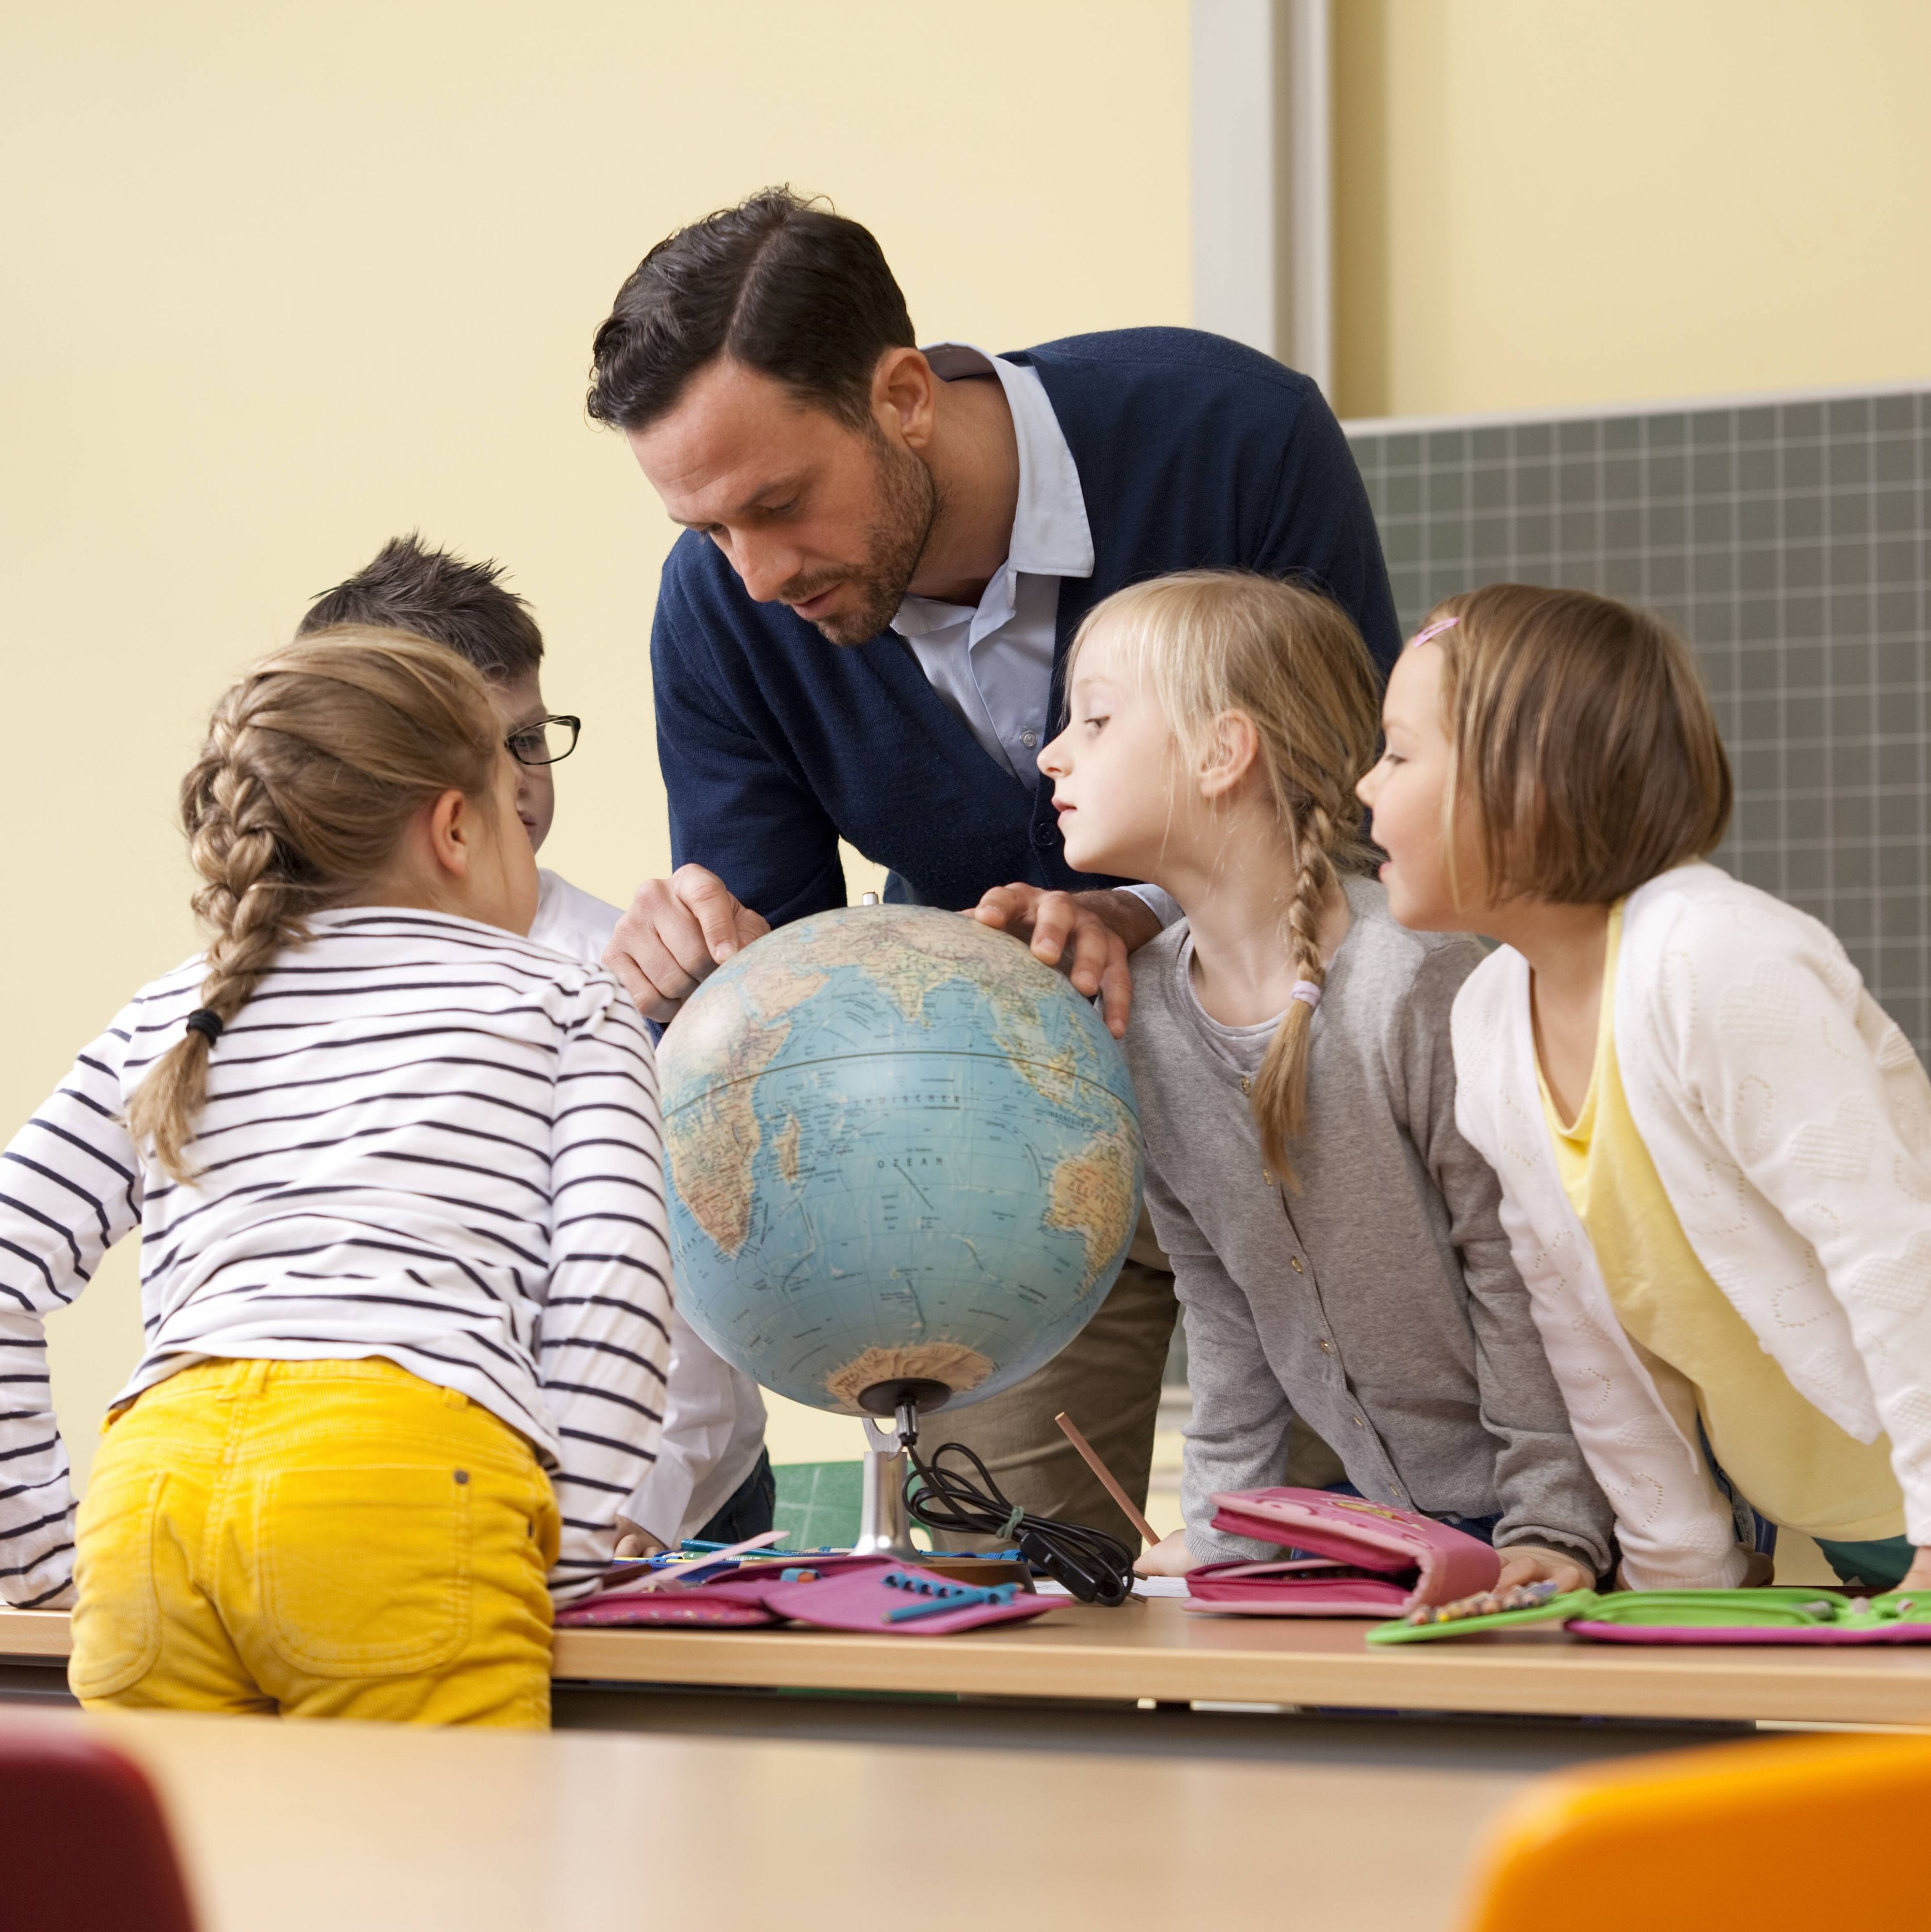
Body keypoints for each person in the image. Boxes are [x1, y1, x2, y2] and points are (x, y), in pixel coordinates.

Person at [586, 187, 1397, 1541]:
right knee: (985, 1603)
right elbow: (791, 979)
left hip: (1290, 1104)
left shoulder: (1232, 434)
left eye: (780, 506)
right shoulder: (726, 618)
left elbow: (1348, 794)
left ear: (903, 395)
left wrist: (1141, 910)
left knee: (1331, 1577)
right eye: (707, 530)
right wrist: (700, 961)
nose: (755, 577)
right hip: (992, 1166)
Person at [1358, 584, 1931, 1601]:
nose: (1364, 783)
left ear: (1523, 783)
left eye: (1398, 752)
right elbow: (1589, 1334)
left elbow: (1887, 1241)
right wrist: (1679, 1577)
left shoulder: (1711, 955)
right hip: (1862, 1511)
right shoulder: (1487, 1022)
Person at [0, 631, 676, 1722]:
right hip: (405, 1483)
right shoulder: (568, 1001)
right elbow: (615, 1294)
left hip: (153, 1494)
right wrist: (573, 1554)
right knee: (447, 1886)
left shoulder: (175, 1014)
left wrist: (43, 1563)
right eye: (510, 802)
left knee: (187, 1890)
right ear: (455, 826)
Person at [1035, 571, 1613, 1589]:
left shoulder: (1415, 981)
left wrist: (1553, 1527)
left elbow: (1526, 1269)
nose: (1053, 751)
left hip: (1568, 1519)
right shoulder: (1147, 1023)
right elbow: (1221, 1301)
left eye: (1096, 718)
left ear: (1223, 752)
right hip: (1396, 1526)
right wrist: (1228, 1527)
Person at [299, 536, 771, 1552]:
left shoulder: (621, 980)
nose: (514, 781)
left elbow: (671, 1319)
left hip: (653, 1504)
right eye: (467, 748)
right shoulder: (290, 988)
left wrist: (625, 1526)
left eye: (527, 738)